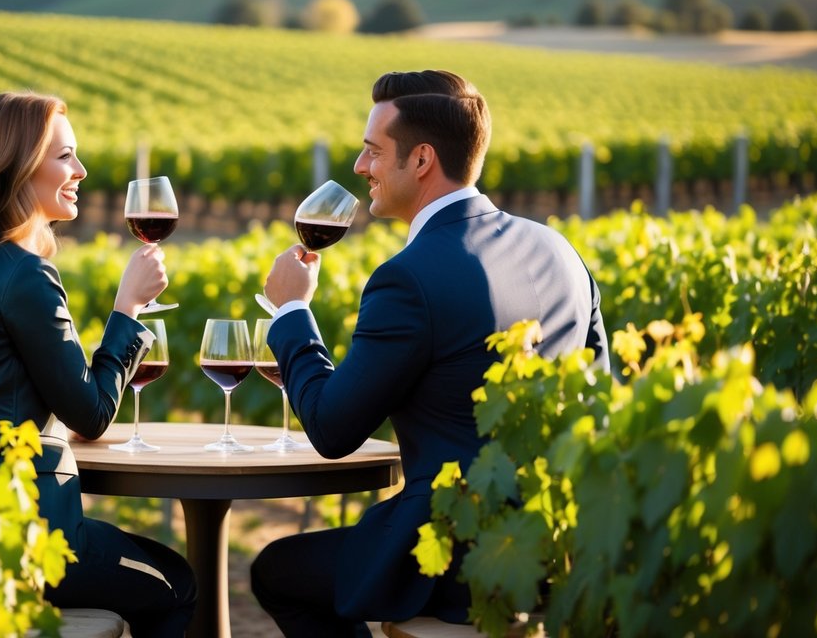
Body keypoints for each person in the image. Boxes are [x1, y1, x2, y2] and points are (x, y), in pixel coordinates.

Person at [251, 70, 609, 636]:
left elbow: (333, 429)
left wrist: (292, 313)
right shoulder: (561, 250)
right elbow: (597, 396)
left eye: (372, 151)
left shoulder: (407, 280)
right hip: (559, 549)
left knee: (276, 571)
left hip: (454, 558)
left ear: (420, 161)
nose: (359, 167)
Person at [0, 91, 196, 638]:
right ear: (16, 169)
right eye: (65, 156)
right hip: (31, 534)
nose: (80, 170)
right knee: (177, 586)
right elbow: (91, 412)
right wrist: (127, 309)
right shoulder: (23, 276)